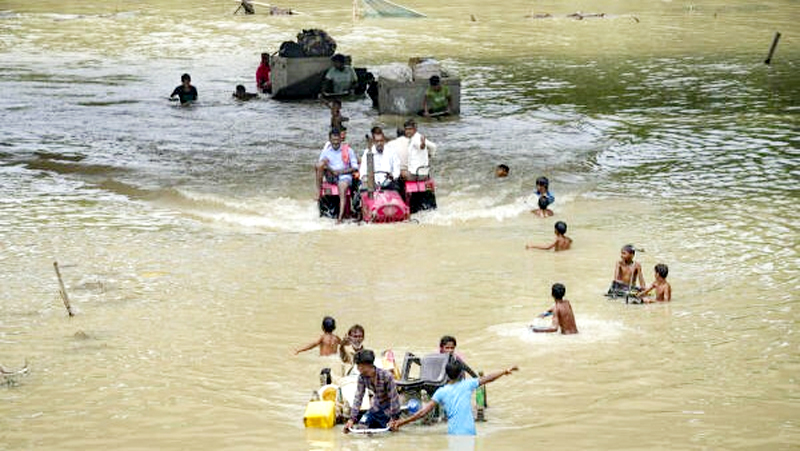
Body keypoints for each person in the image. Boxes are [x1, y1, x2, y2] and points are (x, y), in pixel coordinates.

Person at [390, 360, 518, 435]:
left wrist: (401, 422)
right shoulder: (468, 384)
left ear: (446, 375)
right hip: (470, 432)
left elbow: (422, 412)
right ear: (461, 373)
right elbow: (489, 378)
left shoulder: (441, 392)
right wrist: (504, 371)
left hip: (455, 433)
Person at [344, 349, 401, 432]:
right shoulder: (362, 378)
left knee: (387, 431)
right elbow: (358, 398)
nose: (359, 369)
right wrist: (351, 419)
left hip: (389, 410)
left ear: (369, 365)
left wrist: (394, 418)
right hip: (375, 408)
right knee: (361, 427)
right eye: (358, 366)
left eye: (361, 366)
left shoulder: (386, 376)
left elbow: (393, 398)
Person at [316, 129, 359, 223]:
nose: (335, 142)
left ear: (340, 139)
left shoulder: (348, 150)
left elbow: (355, 167)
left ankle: (340, 218)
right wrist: (330, 169)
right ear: (330, 140)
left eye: (337, 140)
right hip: (331, 175)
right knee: (319, 165)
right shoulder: (326, 151)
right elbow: (320, 165)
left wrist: (340, 172)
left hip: (344, 176)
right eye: (333, 140)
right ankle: (318, 193)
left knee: (342, 188)